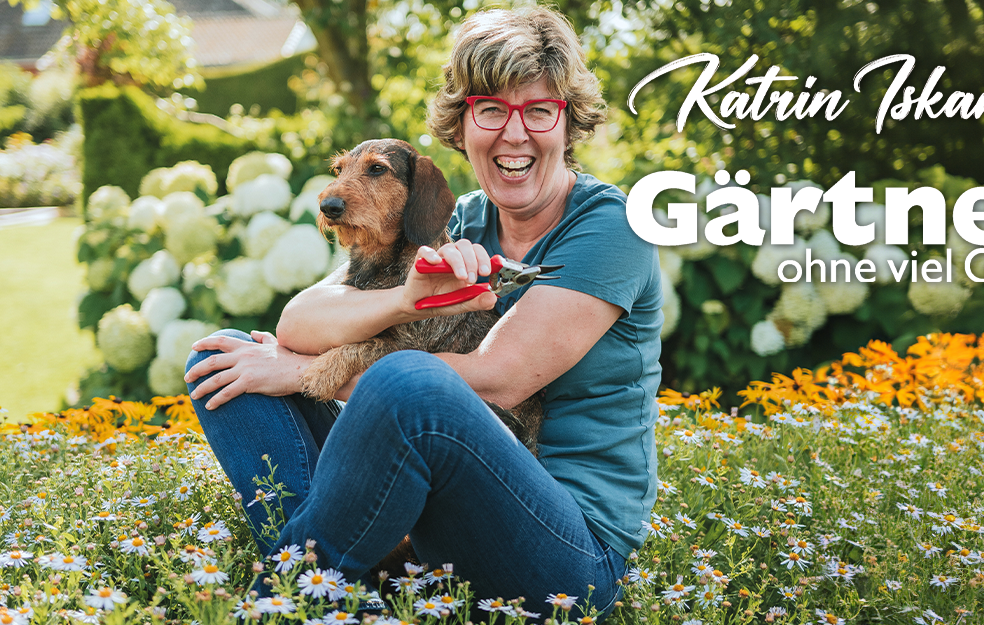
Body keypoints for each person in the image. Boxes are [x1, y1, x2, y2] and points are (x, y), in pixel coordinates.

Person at [183, 7, 662, 619]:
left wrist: (307, 374)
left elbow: (501, 379)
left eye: (539, 112)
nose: (514, 135)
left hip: (566, 555)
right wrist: (402, 301)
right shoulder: (460, 219)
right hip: (445, 521)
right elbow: (299, 322)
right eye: (490, 109)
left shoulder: (609, 227)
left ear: (569, 124)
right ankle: (343, 594)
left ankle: (284, 601)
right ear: (462, 124)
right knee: (225, 358)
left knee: (407, 380)